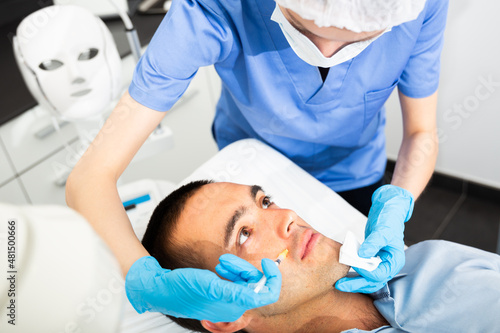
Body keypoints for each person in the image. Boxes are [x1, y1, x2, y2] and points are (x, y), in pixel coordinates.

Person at [66, 0, 450, 323]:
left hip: (355, 169)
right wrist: (143, 279)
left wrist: (399, 200)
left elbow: (421, 134)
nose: (289, 217)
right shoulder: (214, 8)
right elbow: (89, 178)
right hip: (250, 163)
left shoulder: (416, 7)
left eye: (356, 41)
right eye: (305, 28)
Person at [141, 180, 500, 333]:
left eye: (265, 201)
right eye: (244, 234)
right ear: (224, 318)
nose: (286, 217)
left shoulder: (433, 263)